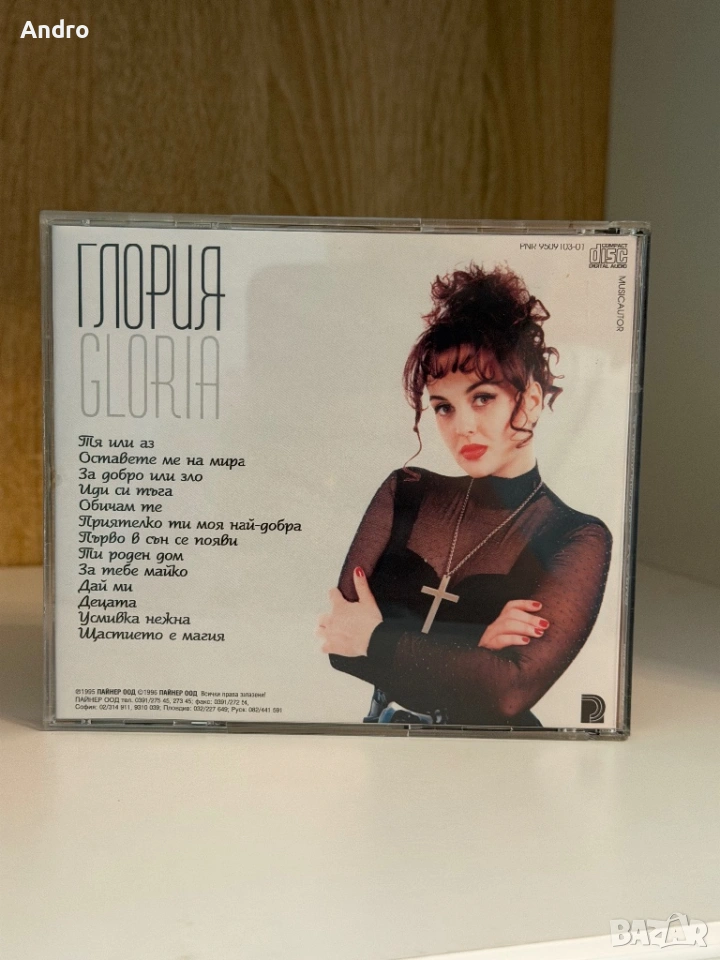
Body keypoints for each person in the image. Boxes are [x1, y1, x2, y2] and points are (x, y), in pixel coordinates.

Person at [316, 263, 612, 727]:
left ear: (530, 401)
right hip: (382, 740)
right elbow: (339, 643)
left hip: (494, 757)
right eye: (444, 407)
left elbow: (508, 693)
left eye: (482, 398)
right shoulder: (406, 491)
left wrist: (376, 639)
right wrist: (477, 648)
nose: (462, 427)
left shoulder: (577, 536)